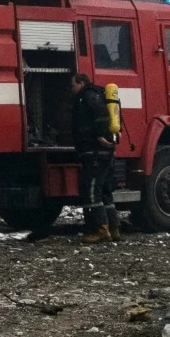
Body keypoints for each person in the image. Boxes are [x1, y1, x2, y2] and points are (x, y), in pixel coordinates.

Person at [71, 72, 119, 243]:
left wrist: (99, 135)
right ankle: (114, 229)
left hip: (94, 153)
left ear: (82, 83)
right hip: (102, 153)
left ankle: (101, 230)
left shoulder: (88, 96)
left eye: (73, 85)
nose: (72, 89)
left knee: (91, 191)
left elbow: (99, 116)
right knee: (105, 191)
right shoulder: (97, 94)